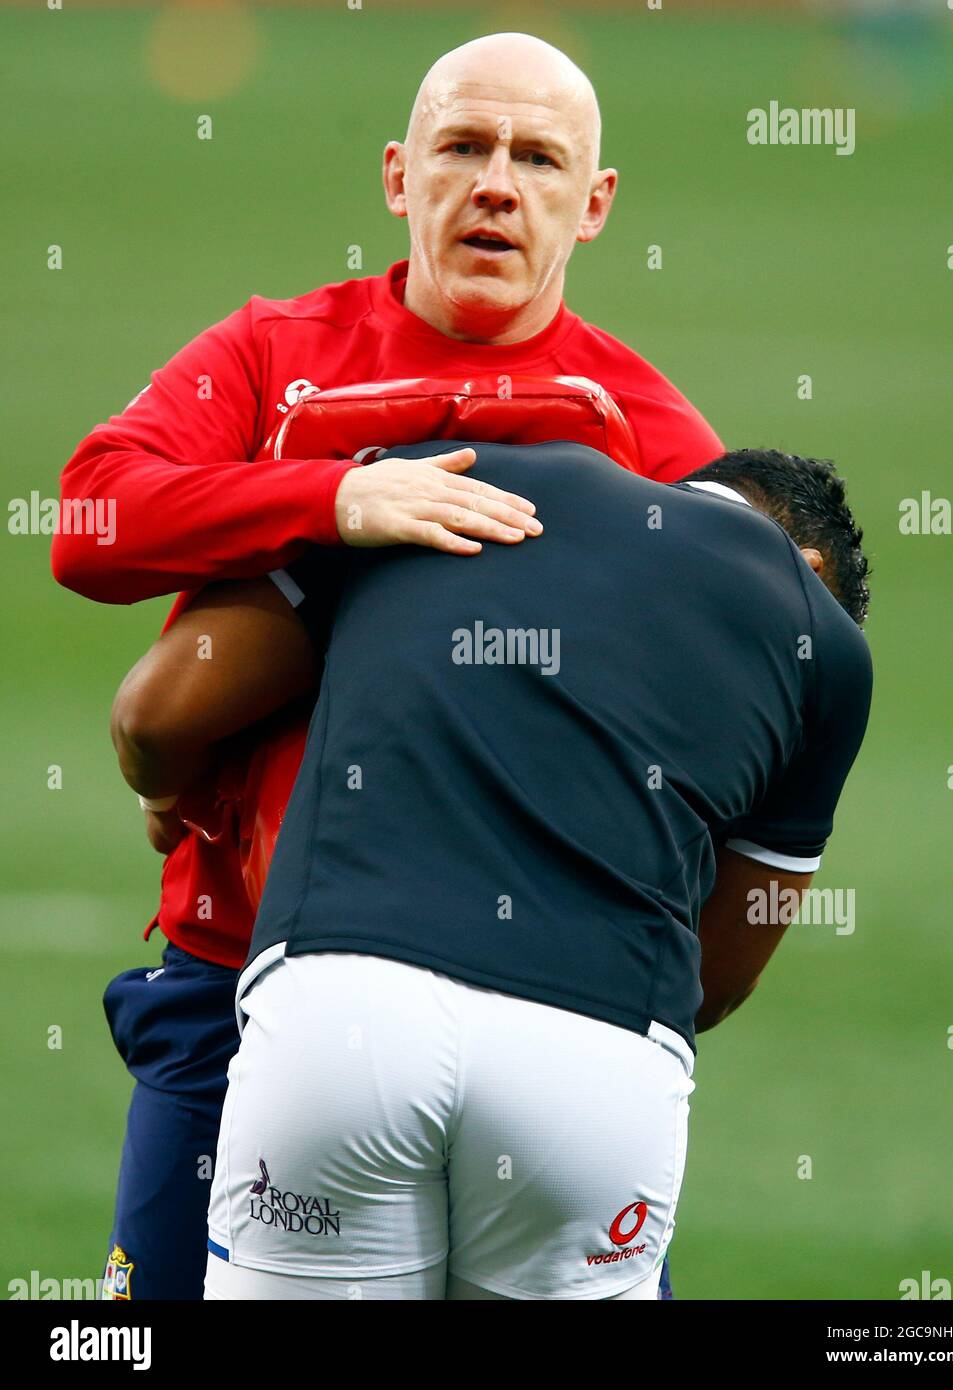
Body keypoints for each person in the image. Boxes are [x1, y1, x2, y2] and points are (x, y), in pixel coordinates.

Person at [53, 32, 723, 1300]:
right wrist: (335, 500)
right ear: (398, 175)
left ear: (595, 204)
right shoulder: (274, 355)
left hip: (538, 1001)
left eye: (537, 159)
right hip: (236, 976)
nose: (495, 185)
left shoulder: (651, 438)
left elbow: (730, 708)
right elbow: (89, 518)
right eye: (463, 148)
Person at [110, 443, 873, 1300]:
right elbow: (713, 982)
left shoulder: (448, 481)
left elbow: (154, 710)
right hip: (597, 1059)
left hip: (337, 1012)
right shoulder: (825, 641)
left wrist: (168, 793)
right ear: (809, 569)